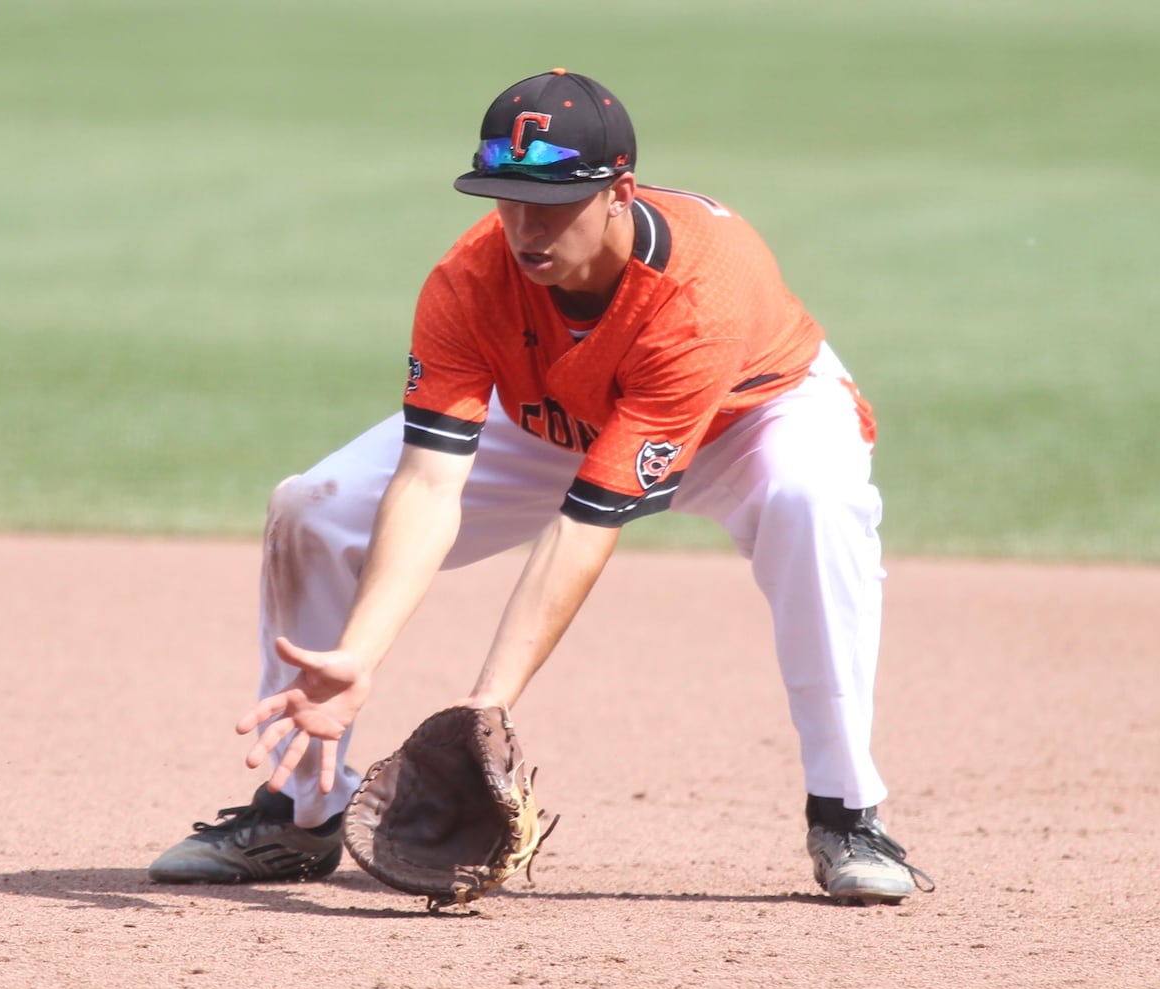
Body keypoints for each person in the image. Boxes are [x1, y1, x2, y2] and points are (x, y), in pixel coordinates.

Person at [148, 69, 933, 903]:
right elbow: (425, 484)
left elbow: (583, 528)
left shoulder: (697, 292)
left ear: (618, 192)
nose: (524, 226)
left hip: (752, 416)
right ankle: (298, 814)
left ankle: (846, 811)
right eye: (505, 198)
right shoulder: (469, 278)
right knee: (314, 507)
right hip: (554, 414)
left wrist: (482, 711)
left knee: (811, 502)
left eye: (551, 203)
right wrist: (360, 654)